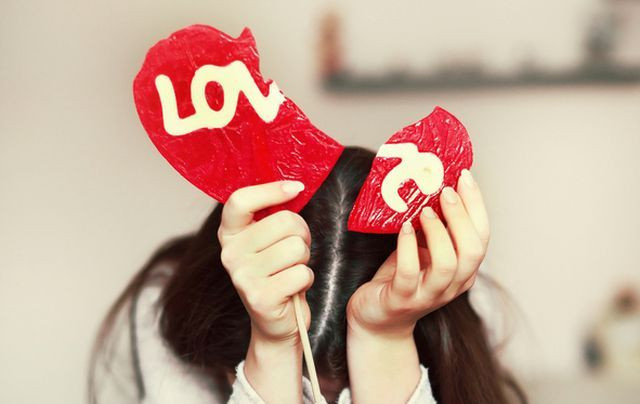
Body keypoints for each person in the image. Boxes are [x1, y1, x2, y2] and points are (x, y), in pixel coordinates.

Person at [90, 147, 526, 404]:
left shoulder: (450, 303)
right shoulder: (165, 314)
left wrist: (385, 340)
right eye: (305, 395)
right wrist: (272, 349)